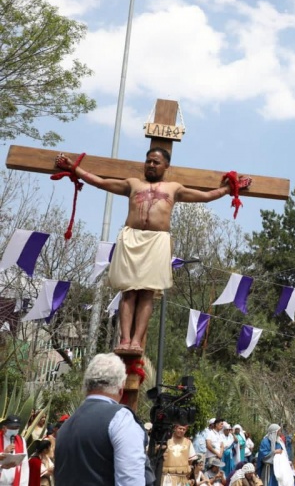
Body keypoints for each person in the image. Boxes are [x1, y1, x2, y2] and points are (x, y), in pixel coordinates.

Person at [54, 149, 251, 353]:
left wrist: (230, 188)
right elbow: (100, 182)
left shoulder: (174, 188)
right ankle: (125, 339)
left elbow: (206, 196)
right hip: (131, 239)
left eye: (156, 162)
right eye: (148, 161)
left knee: (147, 293)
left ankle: (137, 340)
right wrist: (74, 168)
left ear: (166, 166)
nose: (151, 165)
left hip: (157, 241)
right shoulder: (133, 184)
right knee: (129, 292)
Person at [54, 353, 149, 486]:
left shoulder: (65, 426)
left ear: (87, 386)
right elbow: (131, 481)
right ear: (121, 388)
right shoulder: (121, 419)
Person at [0, 414, 28, 486]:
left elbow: (24, 465)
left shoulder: (21, 440)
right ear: (4, 427)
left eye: (17, 427)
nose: (14, 430)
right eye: (12, 427)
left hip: (14, 483)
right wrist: (4, 452)